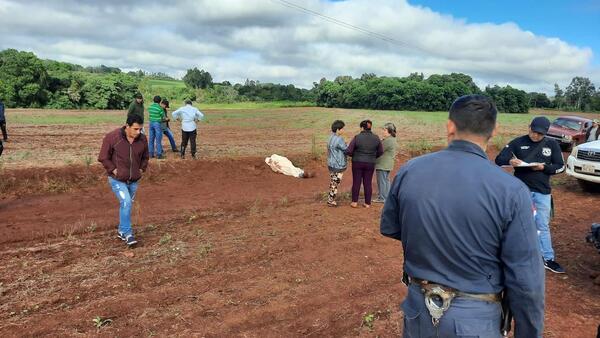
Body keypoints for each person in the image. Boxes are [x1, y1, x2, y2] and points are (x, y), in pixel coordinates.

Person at [381, 95, 544, 338]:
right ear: (494, 130)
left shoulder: (409, 170)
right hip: (476, 320)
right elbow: (526, 279)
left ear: (450, 126)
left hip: (418, 311)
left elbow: (391, 227)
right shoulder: (511, 190)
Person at [495, 116, 566, 274]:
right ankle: (511, 257)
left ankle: (547, 258)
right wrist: (510, 162)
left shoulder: (552, 144)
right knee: (514, 224)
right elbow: (499, 159)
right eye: (533, 132)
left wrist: (544, 167)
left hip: (542, 192)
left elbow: (561, 167)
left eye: (539, 134)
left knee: (542, 225)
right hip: (520, 192)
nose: (535, 136)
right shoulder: (518, 142)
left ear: (545, 133)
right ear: (529, 127)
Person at [98, 114, 149, 246]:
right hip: (117, 179)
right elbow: (103, 157)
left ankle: (121, 230)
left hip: (134, 180)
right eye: (135, 129)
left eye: (140, 129)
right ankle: (128, 234)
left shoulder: (142, 139)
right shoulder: (113, 137)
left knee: (126, 204)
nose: (138, 132)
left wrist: (141, 169)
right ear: (127, 126)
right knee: (126, 202)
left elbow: (145, 157)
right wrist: (114, 170)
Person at [345, 120, 383, 208]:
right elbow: (381, 151)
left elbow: (349, 150)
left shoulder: (357, 137)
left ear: (361, 128)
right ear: (371, 127)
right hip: (370, 163)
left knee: (356, 182)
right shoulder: (376, 138)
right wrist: (373, 156)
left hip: (357, 162)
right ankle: (367, 203)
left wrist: (353, 155)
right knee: (368, 183)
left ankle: (354, 202)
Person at [373, 122, 398, 203]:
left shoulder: (387, 141)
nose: (383, 131)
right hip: (388, 164)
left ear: (389, 131)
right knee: (386, 180)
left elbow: (379, 150)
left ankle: (382, 198)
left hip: (382, 164)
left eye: (384, 130)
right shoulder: (391, 139)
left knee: (382, 181)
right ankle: (386, 197)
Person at [326, 120, 348, 207]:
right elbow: (346, 149)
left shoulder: (330, 137)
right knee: (335, 183)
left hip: (331, 164)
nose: (343, 130)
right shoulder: (339, 139)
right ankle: (331, 200)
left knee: (333, 181)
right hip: (338, 165)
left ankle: (330, 199)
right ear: (338, 129)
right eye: (342, 129)